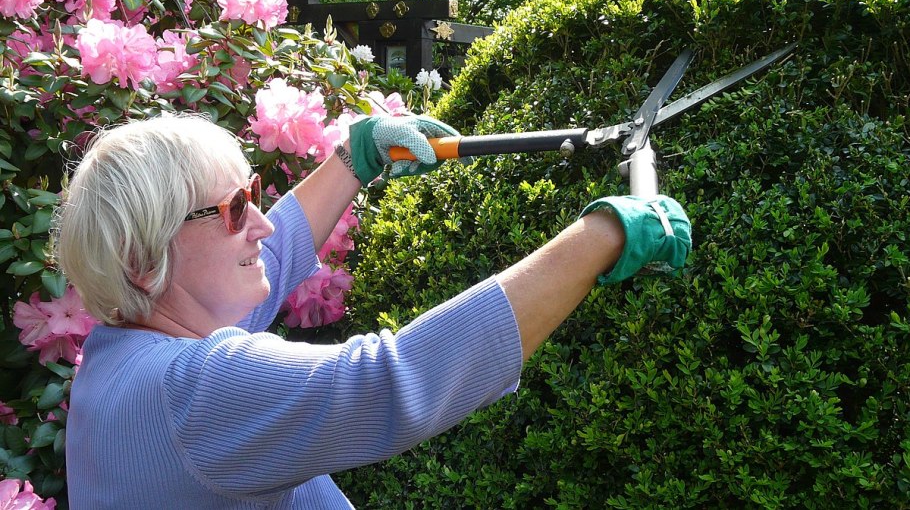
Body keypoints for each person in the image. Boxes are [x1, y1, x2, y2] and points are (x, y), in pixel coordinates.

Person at [55, 112, 690, 508]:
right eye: (232, 211)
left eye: (251, 196)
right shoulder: (193, 390)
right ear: (143, 258)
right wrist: (603, 237)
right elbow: (386, 382)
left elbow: (264, 268)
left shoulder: (127, 352)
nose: (261, 228)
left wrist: (351, 161)